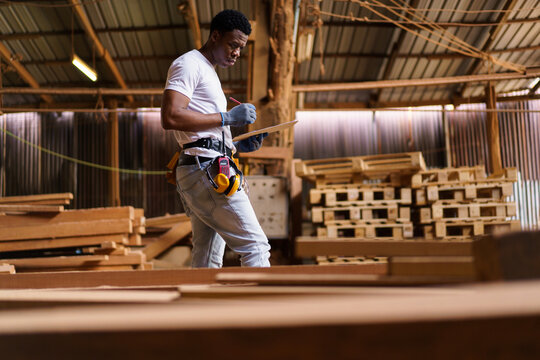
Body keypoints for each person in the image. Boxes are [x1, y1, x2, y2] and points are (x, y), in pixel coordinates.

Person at [161, 9, 271, 268]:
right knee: (255, 247)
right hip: (205, 171)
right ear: (215, 36)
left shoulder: (208, 71)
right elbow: (171, 117)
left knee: (207, 256)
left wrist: (236, 146)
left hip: (204, 166)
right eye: (233, 45)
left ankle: (199, 306)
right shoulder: (189, 64)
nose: (236, 53)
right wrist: (227, 118)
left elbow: (203, 132)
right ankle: (267, 308)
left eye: (241, 48)